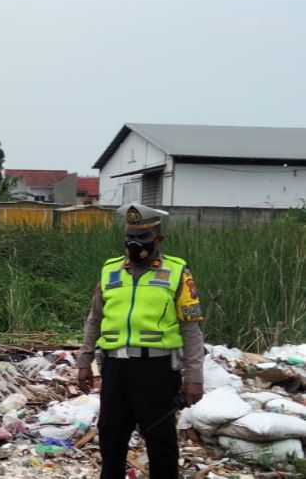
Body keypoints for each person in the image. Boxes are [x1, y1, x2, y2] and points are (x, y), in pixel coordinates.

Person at [77, 203, 205, 479]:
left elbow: (191, 329)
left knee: (160, 442)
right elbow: (94, 319)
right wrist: (84, 361)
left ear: (158, 240)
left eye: (143, 238)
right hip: (115, 369)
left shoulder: (177, 272)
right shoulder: (110, 271)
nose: (134, 244)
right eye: (129, 238)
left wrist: (194, 377)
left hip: (156, 371)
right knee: (110, 438)